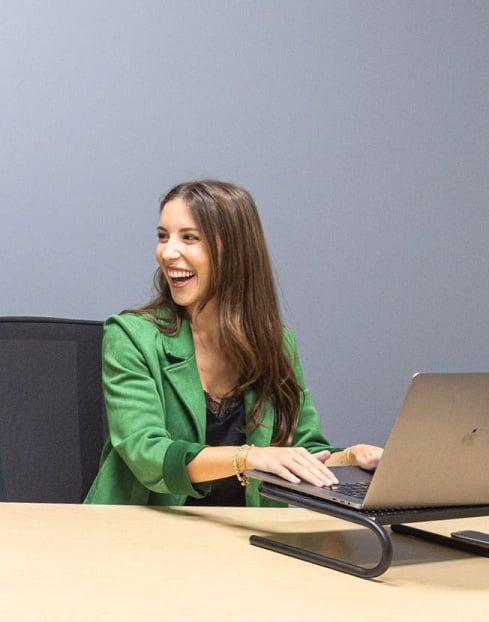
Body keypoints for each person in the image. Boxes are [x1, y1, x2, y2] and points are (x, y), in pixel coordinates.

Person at [85, 179, 381, 506]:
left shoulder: (278, 345)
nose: (167, 253)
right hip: (141, 539)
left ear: (233, 252)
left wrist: (351, 459)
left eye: (189, 238)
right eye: (162, 236)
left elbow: (302, 451)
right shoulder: (131, 336)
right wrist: (247, 457)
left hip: (242, 540)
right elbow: (148, 453)